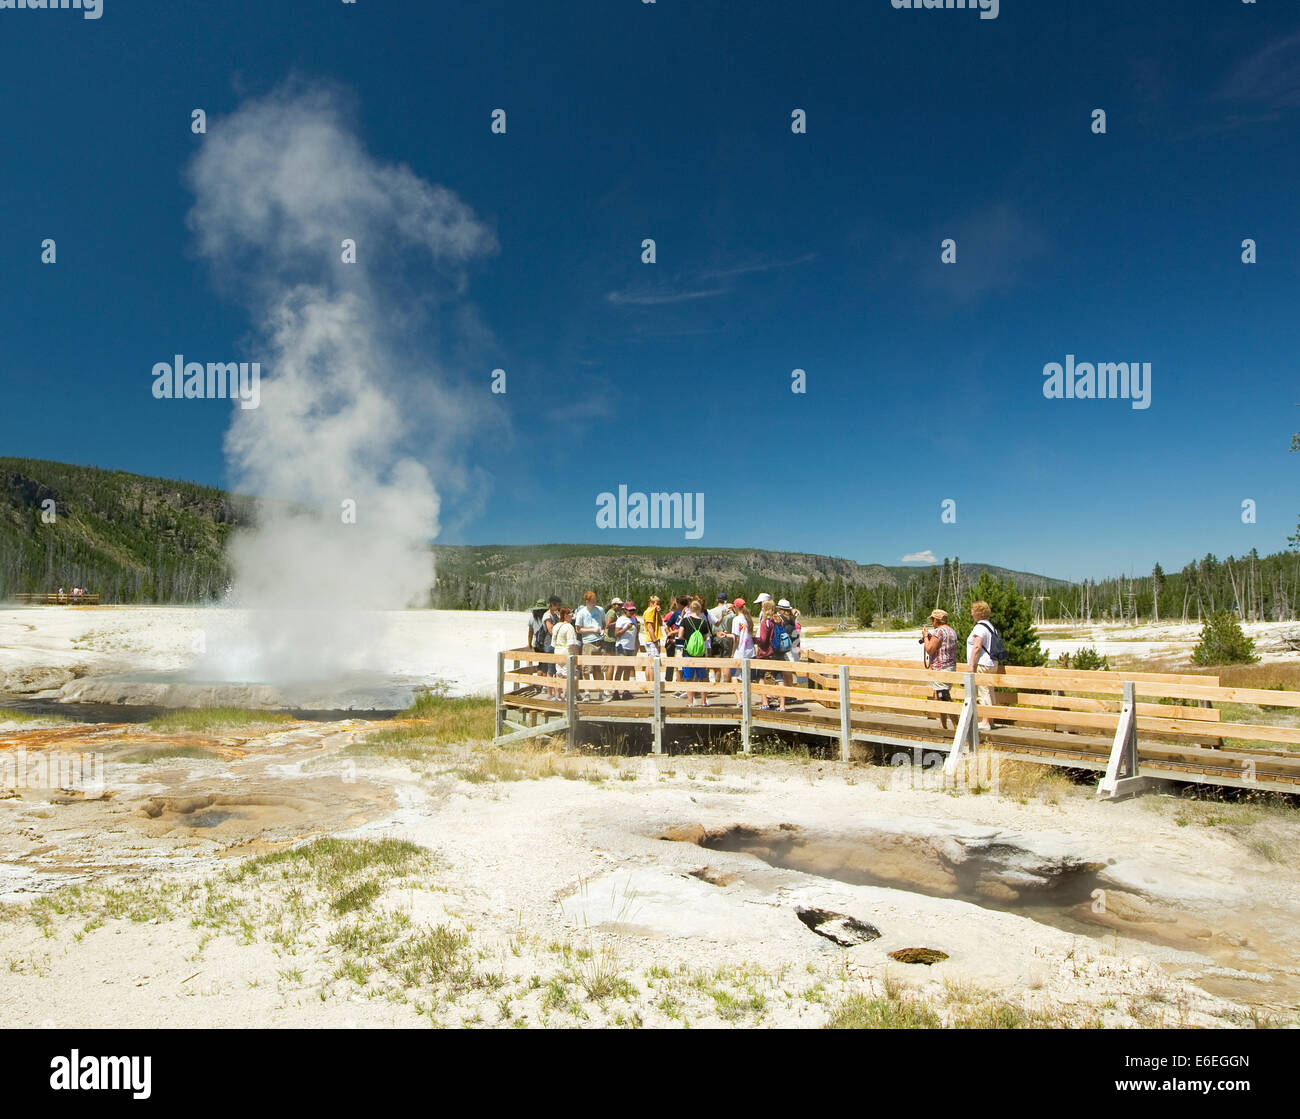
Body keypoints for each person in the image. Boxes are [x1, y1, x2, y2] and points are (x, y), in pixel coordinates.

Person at [967, 600, 1006, 730]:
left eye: (973, 611)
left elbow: (977, 646)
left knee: (984, 692)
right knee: (990, 691)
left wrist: (971, 665)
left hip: (983, 663)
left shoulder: (979, 627)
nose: (972, 614)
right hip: (992, 662)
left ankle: (985, 721)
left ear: (977, 613)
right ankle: (990, 719)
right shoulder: (991, 626)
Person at [921, 608, 959, 731]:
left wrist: (926, 637)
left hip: (940, 668)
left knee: (943, 696)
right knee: (940, 695)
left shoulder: (939, 632)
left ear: (936, 620)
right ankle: (943, 725)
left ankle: (957, 725)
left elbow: (930, 649)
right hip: (950, 667)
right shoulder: (951, 631)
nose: (932, 622)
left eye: (932, 619)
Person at [678, 597, 714, 707]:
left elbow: (680, 635)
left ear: (690, 609)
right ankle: (703, 701)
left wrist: (688, 640)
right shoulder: (703, 622)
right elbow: (704, 638)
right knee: (702, 678)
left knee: (689, 678)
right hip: (700, 653)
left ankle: (690, 702)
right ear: (699, 609)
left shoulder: (685, 621)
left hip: (688, 652)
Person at [754, 599, 785, 711]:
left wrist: (753, 640)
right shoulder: (779, 620)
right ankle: (782, 705)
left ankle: (765, 702)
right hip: (778, 652)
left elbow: (763, 640)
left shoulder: (765, 622)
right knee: (779, 677)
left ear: (765, 608)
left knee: (760, 677)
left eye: (762, 607)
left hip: (766, 653)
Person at [574, 591, 607, 699]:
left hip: (599, 641)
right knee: (587, 669)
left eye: (595, 601)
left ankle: (601, 692)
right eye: (592, 601)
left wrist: (603, 630)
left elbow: (604, 622)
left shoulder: (600, 610)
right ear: (587, 601)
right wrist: (592, 630)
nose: (594, 603)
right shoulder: (582, 612)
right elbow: (578, 629)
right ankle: (587, 692)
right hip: (588, 643)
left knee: (599, 669)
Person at [612, 601, 640, 699]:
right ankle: (615, 690)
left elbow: (635, 634)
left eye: (633, 610)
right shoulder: (621, 620)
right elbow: (616, 633)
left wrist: (637, 644)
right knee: (620, 668)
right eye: (630, 610)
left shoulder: (633, 619)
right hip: (622, 646)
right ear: (625, 610)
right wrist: (626, 628)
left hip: (631, 647)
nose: (631, 612)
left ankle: (625, 690)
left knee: (628, 669)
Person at [550, 607, 579, 699]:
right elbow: (572, 644)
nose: (572, 618)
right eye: (570, 615)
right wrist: (576, 654)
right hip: (567, 653)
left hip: (557, 653)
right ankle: (566, 696)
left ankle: (558, 696)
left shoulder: (556, 626)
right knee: (568, 675)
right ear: (565, 616)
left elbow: (553, 643)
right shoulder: (569, 627)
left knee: (559, 674)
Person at [730, 598, 755, 703]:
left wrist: (732, 652)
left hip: (740, 651)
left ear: (736, 607)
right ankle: (746, 698)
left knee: (734, 676)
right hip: (750, 651)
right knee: (747, 678)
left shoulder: (736, 619)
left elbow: (736, 638)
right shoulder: (748, 619)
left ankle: (739, 699)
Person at [663, 595, 688, 694]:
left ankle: (683, 687)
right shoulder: (677, 613)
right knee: (678, 666)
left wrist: (672, 633)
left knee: (683, 666)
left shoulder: (688, 614)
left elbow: (684, 628)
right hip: (677, 643)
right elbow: (668, 625)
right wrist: (671, 636)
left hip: (684, 643)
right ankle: (679, 687)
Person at [542, 595, 562, 697]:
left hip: (557, 645)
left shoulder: (556, 615)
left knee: (557, 669)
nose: (557, 607)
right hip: (549, 644)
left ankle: (556, 692)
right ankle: (550, 693)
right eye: (556, 605)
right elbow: (550, 630)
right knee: (550, 670)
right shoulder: (547, 616)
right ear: (551, 605)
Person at [642, 595, 664, 683]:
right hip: (652, 640)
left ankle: (649, 684)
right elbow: (650, 627)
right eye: (656, 603)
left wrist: (658, 613)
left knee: (650, 662)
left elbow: (661, 623)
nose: (658, 605)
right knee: (653, 664)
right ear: (651, 603)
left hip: (653, 639)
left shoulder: (654, 612)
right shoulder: (650, 611)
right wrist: (654, 640)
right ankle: (652, 684)